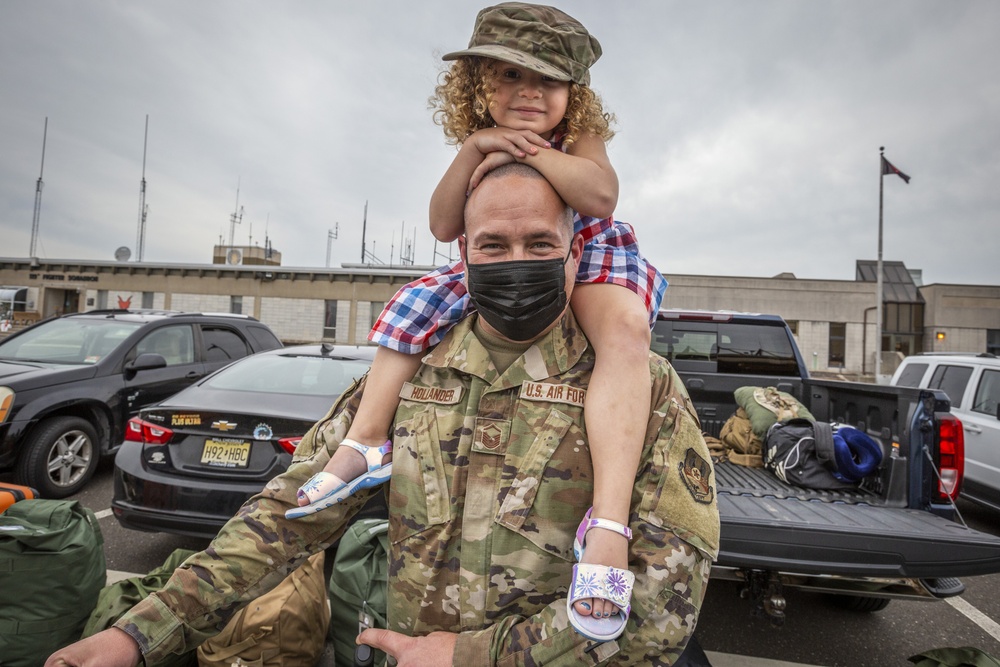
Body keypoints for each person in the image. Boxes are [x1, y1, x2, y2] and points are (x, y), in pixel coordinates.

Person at [46, 164, 718, 667]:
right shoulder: (408, 379)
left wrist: (467, 656)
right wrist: (140, 631)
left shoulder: (637, 393)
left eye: (540, 242)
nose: (517, 262)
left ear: (576, 254)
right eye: (494, 244)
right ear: (463, 257)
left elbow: (659, 609)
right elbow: (289, 517)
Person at [292, 2, 667, 629]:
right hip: (498, 252)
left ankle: (606, 521)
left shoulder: (577, 137)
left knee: (625, 334)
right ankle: (364, 442)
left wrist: (533, 154)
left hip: (584, 254)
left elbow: (600, 196)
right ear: (478, 85)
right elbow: (444, 225)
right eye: (510, 76)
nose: (528, 93)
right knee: (412, 309)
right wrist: (474, 149)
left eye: (547, 80)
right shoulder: (479, 140)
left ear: (572, 92)